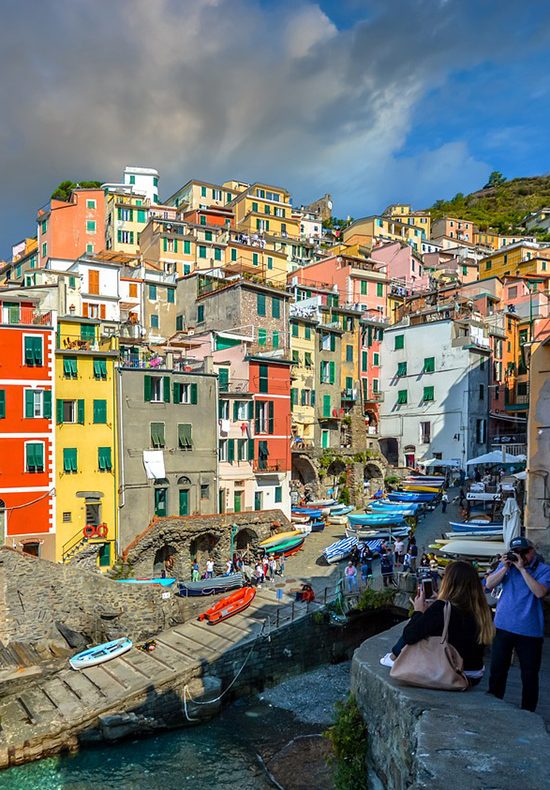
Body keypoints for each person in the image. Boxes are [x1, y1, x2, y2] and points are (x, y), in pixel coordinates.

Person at [379, 561, 494, 686]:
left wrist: (418, 611)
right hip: (475, 673)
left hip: (452, 671)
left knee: (419, 628)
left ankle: (394, 656)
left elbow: (410, 635)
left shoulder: (441, 608)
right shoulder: (483, 610)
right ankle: (393, 655)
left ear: (449, 583)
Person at [485, 536, 550, 712]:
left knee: (529, 674)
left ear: (532, 551)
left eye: (523, 552)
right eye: (516, 552)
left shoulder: (544, 570)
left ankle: (528, 712)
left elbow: (539, 592)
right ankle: (493, 706)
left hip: (529, 631)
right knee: (498, 670)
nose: (520, 556)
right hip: (503, 626)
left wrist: (522, 569)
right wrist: (505, 567)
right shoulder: (507, 566)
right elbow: (489, 584)